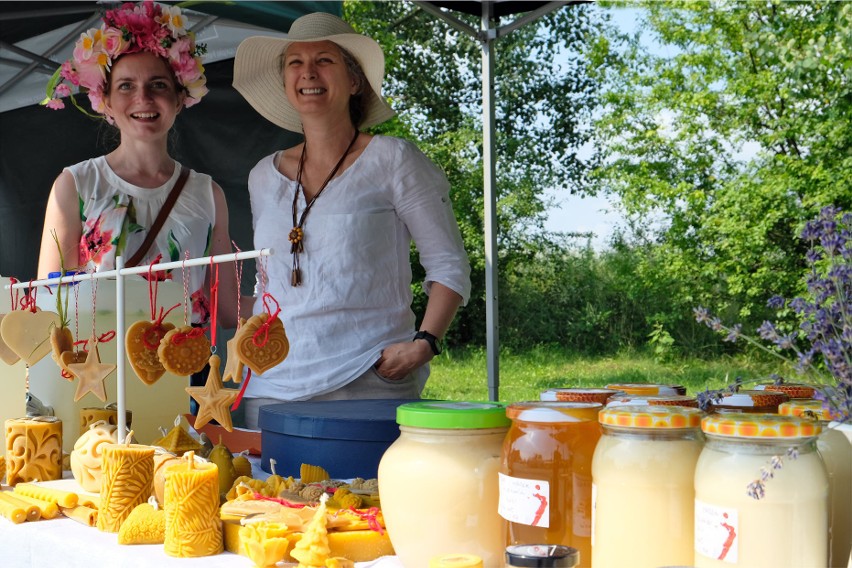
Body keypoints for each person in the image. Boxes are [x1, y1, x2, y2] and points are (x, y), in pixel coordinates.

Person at [232, 12, 471, 429]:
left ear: (355, 80)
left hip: (367, 380)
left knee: (363, 496)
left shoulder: (393, 159)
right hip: (269, 387)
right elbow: (269, 282)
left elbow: (449, 265)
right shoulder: (261, 176)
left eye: (325, 60)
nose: (308, 72)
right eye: (295, 62)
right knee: (265, 495)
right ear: (285, 82)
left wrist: (425, 343)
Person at [36, 2, 238, 406]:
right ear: (105, 102)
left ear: (181, 97)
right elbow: (49, 304)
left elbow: (228, 311)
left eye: (158, 84)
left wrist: (295, 301)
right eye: (125, 85)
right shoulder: (75, 185)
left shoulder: (208, 193)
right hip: (96, 378)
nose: (142, 97)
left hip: (183, 378)